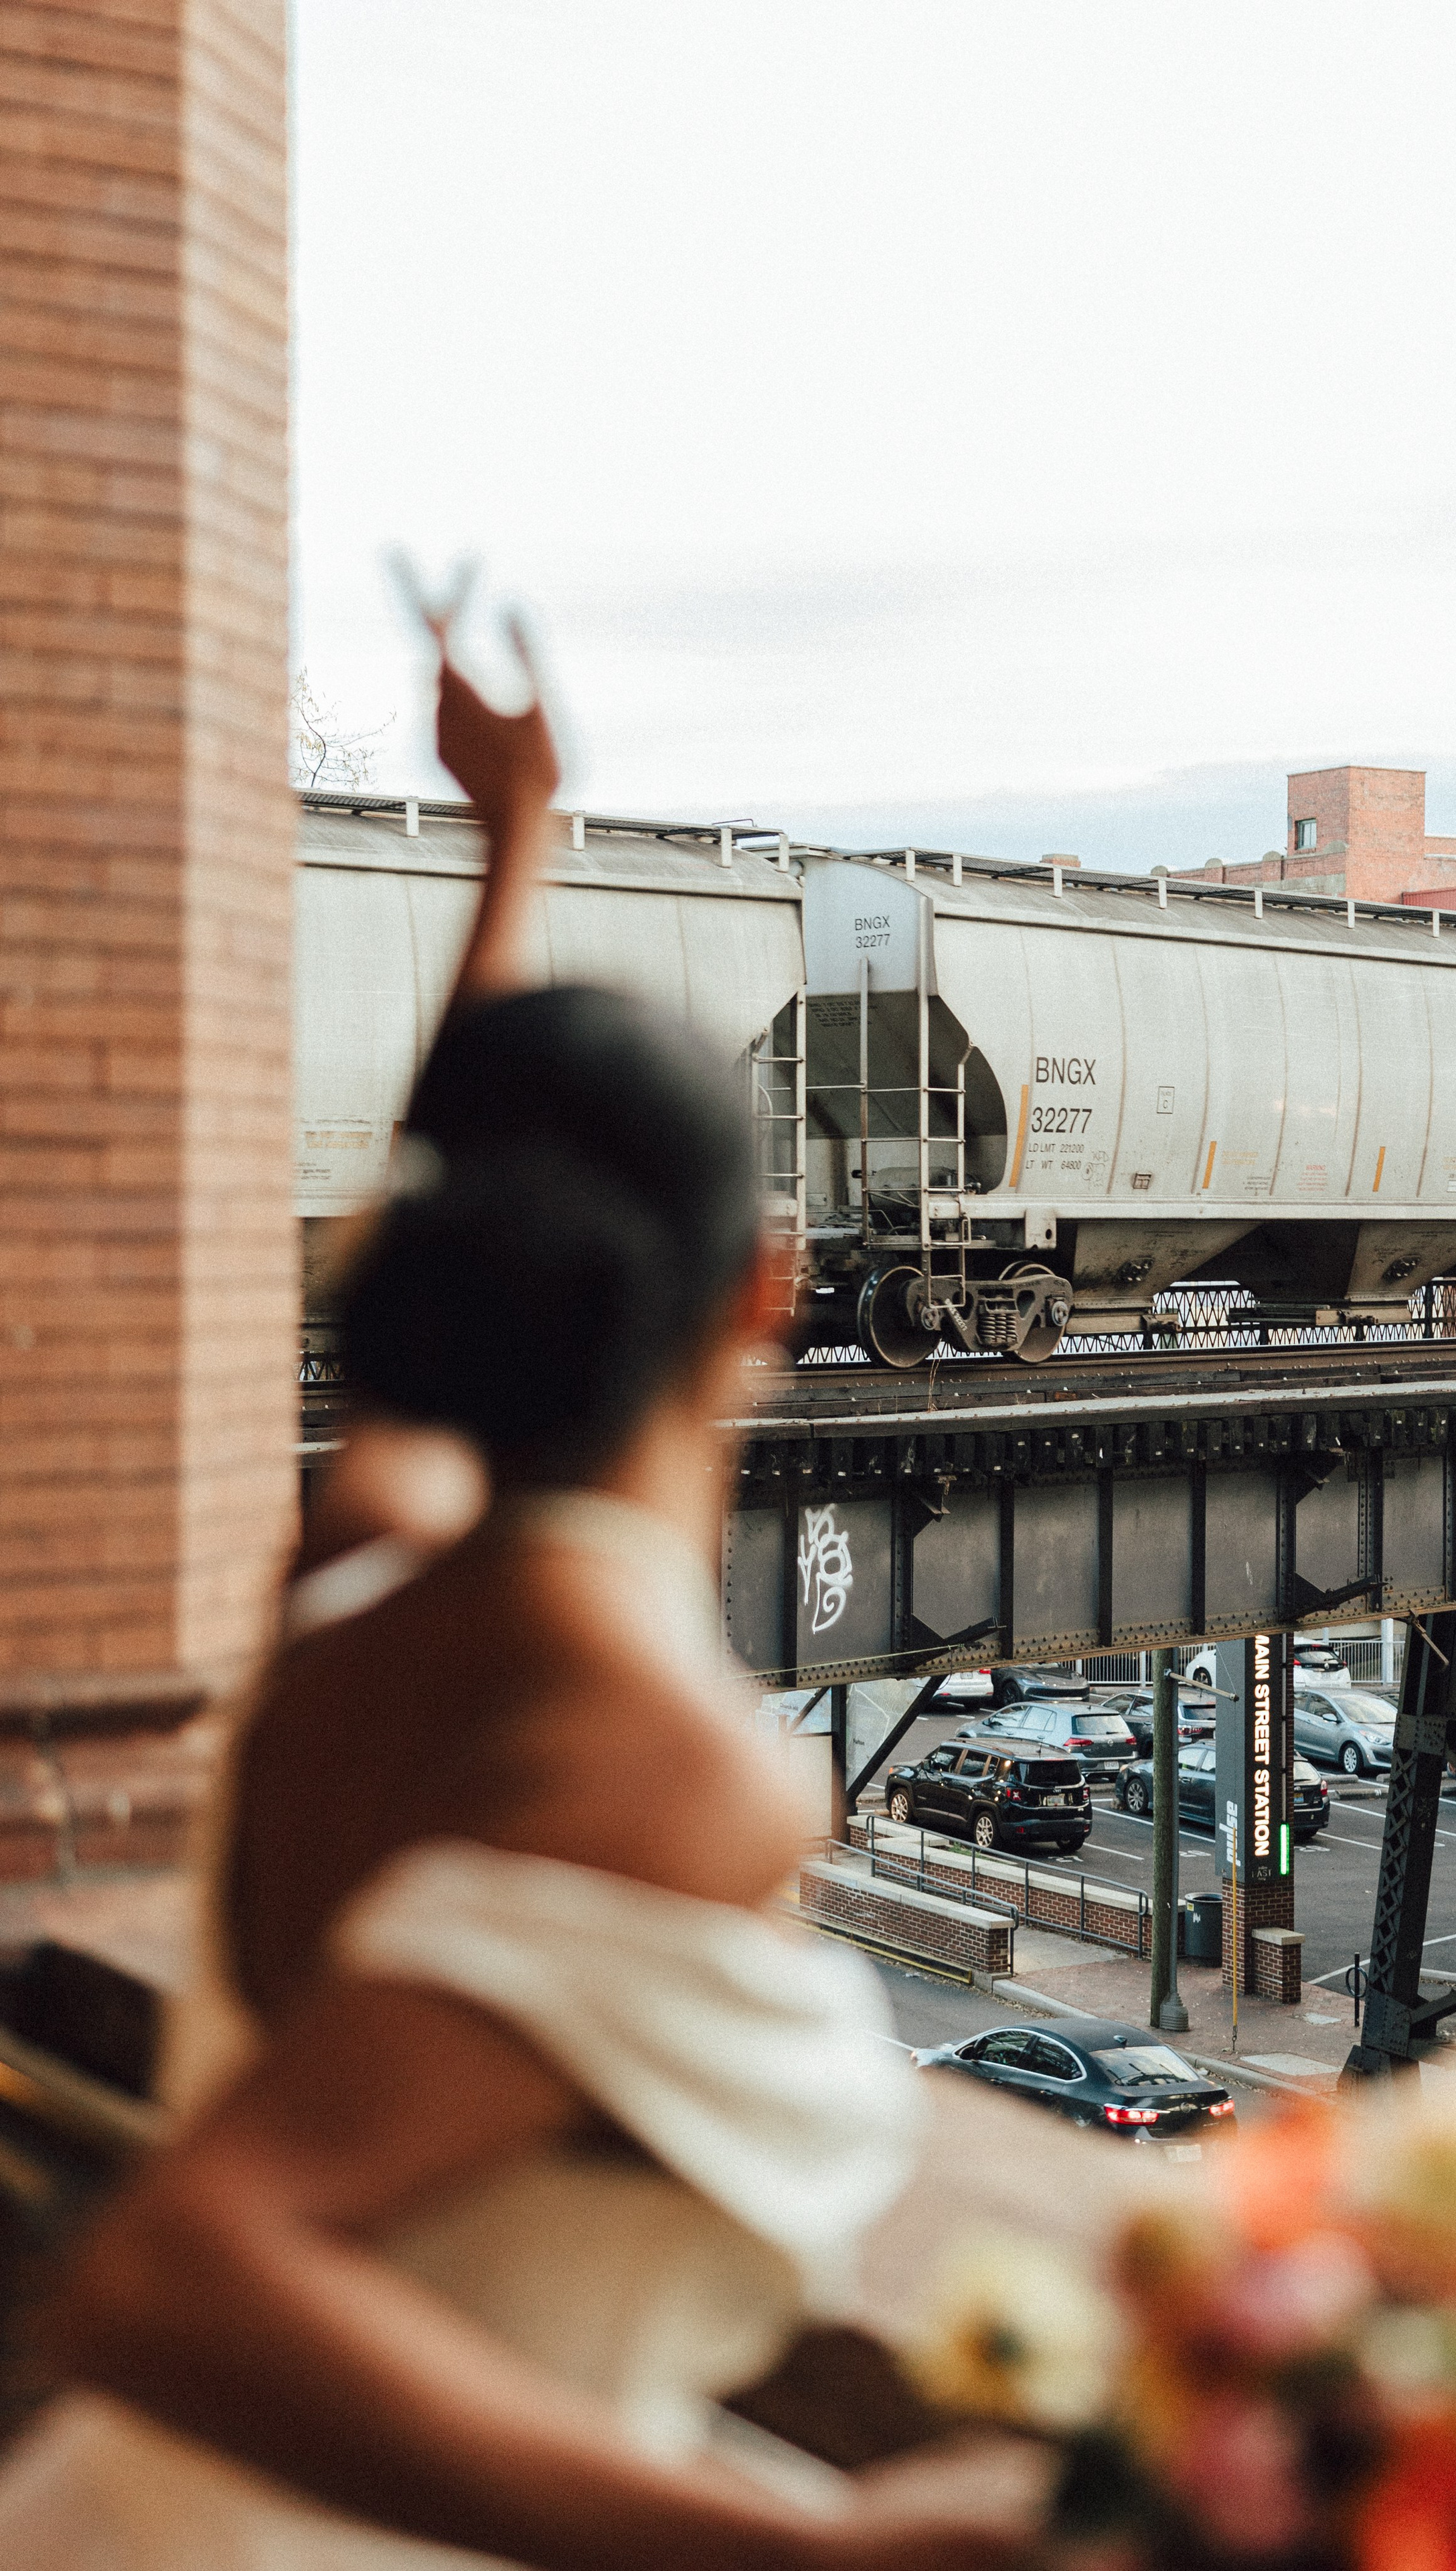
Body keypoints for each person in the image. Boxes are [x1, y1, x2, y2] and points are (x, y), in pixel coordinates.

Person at [0, 990, 1046, 2569]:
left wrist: (502, 882)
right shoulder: (660, 1763)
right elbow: (164, 2277)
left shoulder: (357, 1590)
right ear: (766, 1287)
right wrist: (809, 2555)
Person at [292, 603, 570, 1587]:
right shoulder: (675, 1693)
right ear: (754, 1296)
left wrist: (514, 826)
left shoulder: (366, 1556)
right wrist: (522, 827)